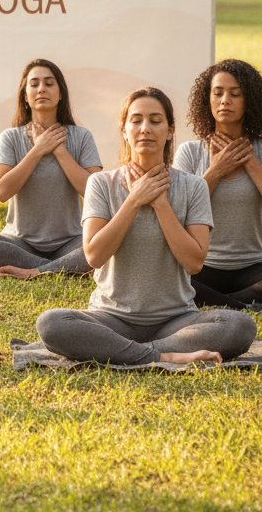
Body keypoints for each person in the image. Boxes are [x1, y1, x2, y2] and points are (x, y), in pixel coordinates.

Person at [36, 88, 256, 366]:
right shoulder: (101, 184)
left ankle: (125, 351)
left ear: (169, 130)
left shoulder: (193, 186)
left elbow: (194, 262)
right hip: (111, 318)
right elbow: (94, 256)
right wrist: (134, 201)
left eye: (155, 120)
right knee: (52, 323)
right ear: (124, 129)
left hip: (176, 320)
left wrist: (161, 205)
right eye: (136, 120)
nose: (145, 129)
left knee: (239, 326)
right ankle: (162, 354)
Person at [0, 58, 101, 278]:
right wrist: (37, 150)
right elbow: (2, 191)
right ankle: (57, 268)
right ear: (25, 96)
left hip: (70, 241)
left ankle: (35, 270)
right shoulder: (10, 137)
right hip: (20, 243)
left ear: (60, 93)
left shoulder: (81, 137)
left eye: (49, 83)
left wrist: (60, 152)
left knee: (107, 243)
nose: (41, 89)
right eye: (34, 84)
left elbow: (93, 193)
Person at [173, 59, 262, 309]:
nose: (225, 100)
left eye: (235, 94)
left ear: (250, 101)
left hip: (254, 266)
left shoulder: (260, 150)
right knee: (173, 280)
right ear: (207, 99)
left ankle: (222, 303)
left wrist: (252, 164)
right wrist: (215, 171)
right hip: (203, 265)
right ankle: (243, 305)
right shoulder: (190, 152)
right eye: (218, 93)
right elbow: (178, 209)